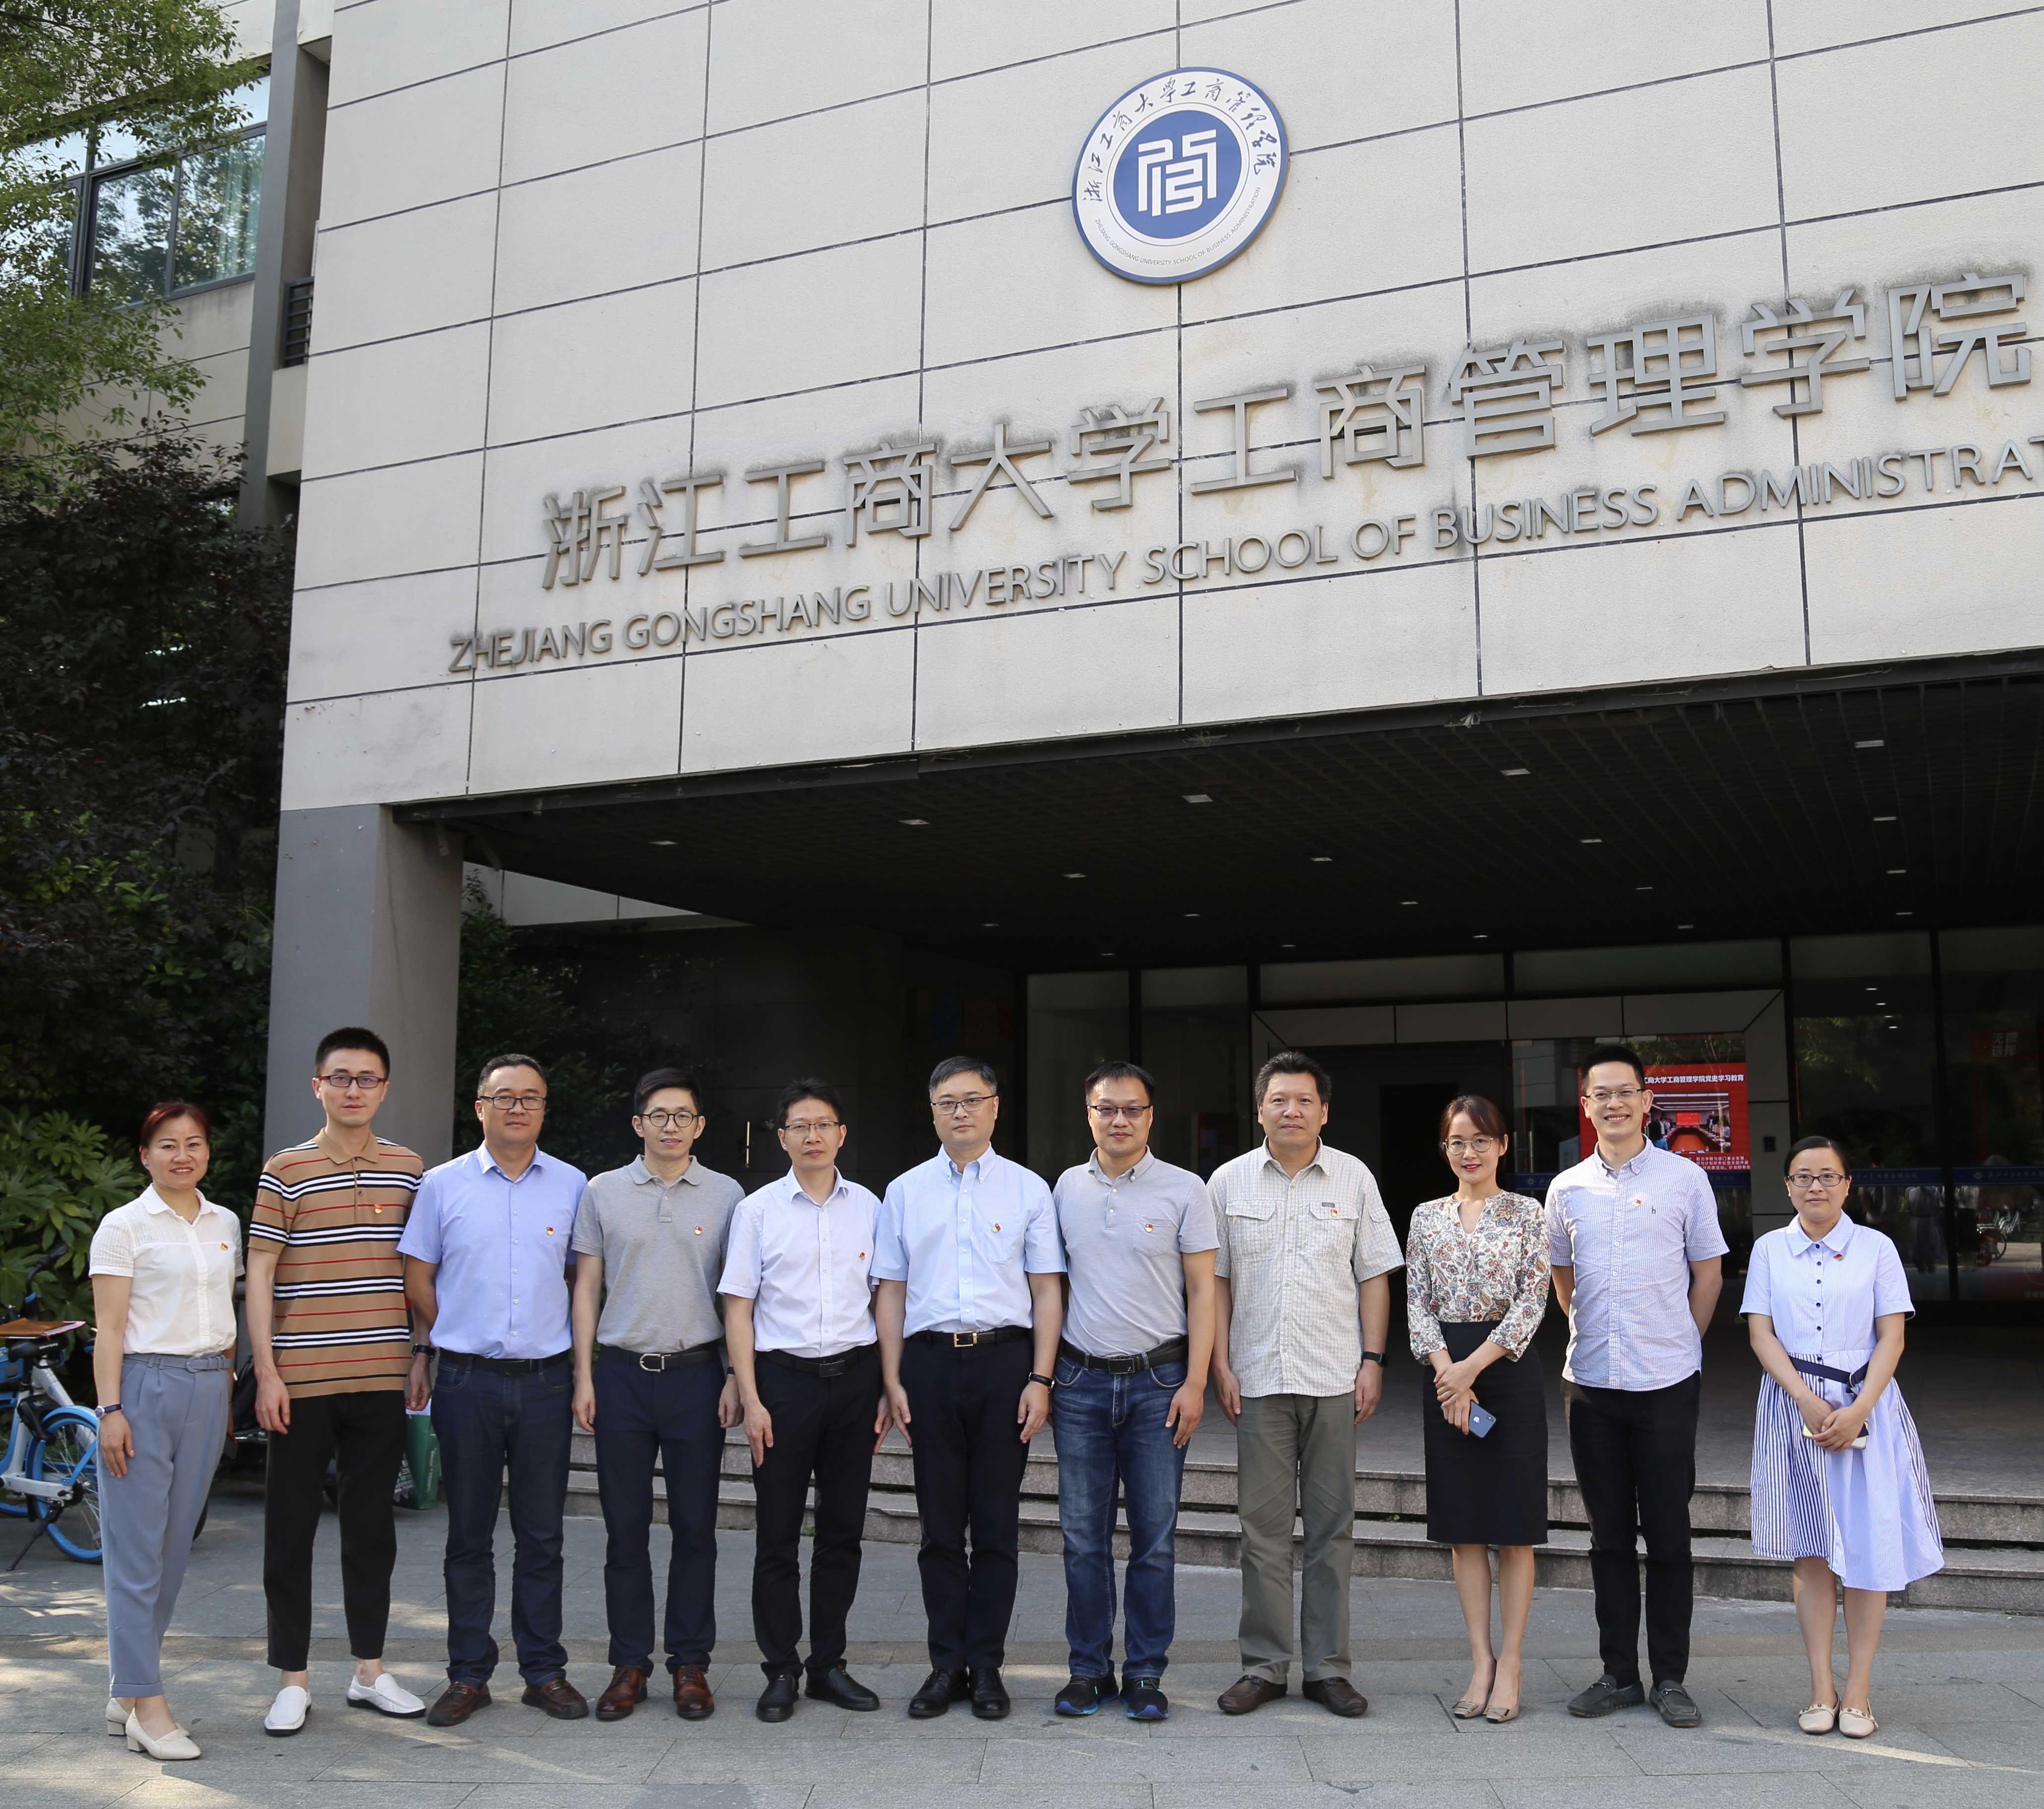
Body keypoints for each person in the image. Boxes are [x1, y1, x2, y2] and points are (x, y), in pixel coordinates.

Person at [1209, 1051, 1403, 1720]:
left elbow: (1373, 1275)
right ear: (1259, 1109)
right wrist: (1218, 1364)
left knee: (1331, 1530)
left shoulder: (1353, 1178)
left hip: (1333, 1378)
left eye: (1303, 1101)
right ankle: (1262, 1667)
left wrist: (1372, 1360)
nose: (1290, 1110)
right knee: (1260, 1533)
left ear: (1323, 1111)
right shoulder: (1227, 1183)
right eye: (1278, 1100)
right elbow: (1215, 1283)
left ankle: (1327, 1670)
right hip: (1257, 1379)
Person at [246, 1026, 427, 1737]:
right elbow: (260, 1273)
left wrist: (421, 1351)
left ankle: (369, 1672)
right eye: (341, 1077)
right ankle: (291, 1680)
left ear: (385, 1089)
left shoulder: (409, 1169)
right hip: (300, 1381)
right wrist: (266, 1371)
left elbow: (418, 1272)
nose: (354, 1090)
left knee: (371, 1531)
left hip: (382, 1377)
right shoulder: (285, 1170)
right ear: (317, 1085)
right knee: (289, 1532)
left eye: (367, 1079)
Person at [399, 1054, 589, 1727]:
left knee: (542, 1535)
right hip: (466, 1379)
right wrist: (436, 1339)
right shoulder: (441, 1185)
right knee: (468, 1535)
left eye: (530, 1098)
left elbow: (580, 1280)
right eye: (504, 1097)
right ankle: (468, 1675)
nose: (517, 1108)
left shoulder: (572, 1185)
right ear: (479, 1107)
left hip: (545, 1381)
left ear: (544, 1109)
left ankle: (543, 1671)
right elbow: (418, 1276)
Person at [873, 1056, 1064, 1721]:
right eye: (947, 1102)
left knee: (996, 1527)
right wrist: (891, 1378)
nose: (960, 1112)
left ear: (995, 1107)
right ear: (932, 1112)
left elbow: (1046, 1291)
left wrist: (1040, 1377)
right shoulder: (904, 1191)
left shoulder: (1027, 1190)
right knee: (937, 1528)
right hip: (928, 1367)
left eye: (972, 1100)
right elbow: (890, 1292)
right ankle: (943, 1666)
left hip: (1005, 1366)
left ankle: (986, 1666)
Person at [1548, 1042, 1726, 1728]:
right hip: (1591, 1385)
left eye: (1625, 1091)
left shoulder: (1685, 1179)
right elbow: (1562, 1277)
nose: (1614, 1103)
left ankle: (1670, 1678)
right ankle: (1618, 1673)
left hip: (1666, 1383)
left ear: (1647, 1101)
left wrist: (1681, 1340)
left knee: (1670, 1534)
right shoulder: (1565, 1189)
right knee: (1608, 1537)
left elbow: (1707, 1272)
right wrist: (1591, 1329)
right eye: (1601, 1093)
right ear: (1586, 1105)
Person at [1744, 1136, 1943, 1739]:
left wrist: (1857, 1410)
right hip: (1791, 1405)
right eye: (1803, 1176)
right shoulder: (1769, 1249)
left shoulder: (1876, 1248)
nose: (1816, 1187)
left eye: (1828, 1176)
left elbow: (1892, 1336)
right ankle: (1820, 1690)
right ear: (1787, 1187)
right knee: (1810, 1550)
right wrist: (1804, 1398)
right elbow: (1760, 1334)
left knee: (1867, 1547)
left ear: (1847, 1185)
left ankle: (1857, 1693)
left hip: (1867, 1406)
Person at [570, 1067, 743, 1722]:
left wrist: (735, 1374)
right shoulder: (602, 1192)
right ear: (638, 1123)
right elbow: (587, 1287)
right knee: (625, 1529)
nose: (671, 1126)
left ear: (699, 1126)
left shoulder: (727, 1195)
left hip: (697, 1376)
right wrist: (584, 1375)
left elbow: (738, 1294)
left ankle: (690, 1663)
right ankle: (629, 1664)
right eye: (659, 1116)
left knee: (696, 1527)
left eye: (683, 1116)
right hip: (619, 1375)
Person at [1050, 1060, 1216, 1722]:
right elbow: (1051, 1287)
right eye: (1106, 1108)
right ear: (1088, 1114)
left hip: (1159, 1384)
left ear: (1151, 1116)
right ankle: (1088, 1671)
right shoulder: (1064, 1187)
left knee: (1154, 1539)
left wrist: (1196, 1381)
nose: (1119, 1120)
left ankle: (1145, 1672)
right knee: (1081, 1538)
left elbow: (1202, 1290)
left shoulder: (1184, 1189)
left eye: (1132, 1109)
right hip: (1078, 1383)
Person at [719, 1081, 886, 1723]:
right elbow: (739, 1307)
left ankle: (828, 1666)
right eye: (799, 1126)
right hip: (782, 1385)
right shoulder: (757, 1211)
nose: (812, 1136)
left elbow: (885, 1299)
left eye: (823, 1125)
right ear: (782, 1137)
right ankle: (781, 1669)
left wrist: (885, 1386)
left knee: (842, 1532)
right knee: (777, 1533)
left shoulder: (869, 1207)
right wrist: (751, 1395)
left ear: (841, 1134)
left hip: (854, 1383)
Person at [90, 1103, 241, 1761]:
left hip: (209, 1386)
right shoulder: (123, 1226)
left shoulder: (225, 1222)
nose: (183, 1155)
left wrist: (226, 1391)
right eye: (168, 1145)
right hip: (143, 1388)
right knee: (136, 1554)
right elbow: (110, 1329)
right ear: (144, 1155)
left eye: (195, 1143)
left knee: (175, 1549)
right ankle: (147, 1708)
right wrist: (110, 1411)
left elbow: (226, 1311)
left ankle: (126, 1690)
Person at [1405, 1094, 1551, 1726]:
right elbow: (1416, 1301)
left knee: (1514, 1528)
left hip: (1506, 1371)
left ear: (1502, 1146)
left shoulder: (1527, 1213)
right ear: (1445, 1148)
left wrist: (1472, 1370)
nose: (1469, 1152)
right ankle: (1480, 1662)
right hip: (1444, 1373)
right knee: (1463, 1529)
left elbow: (1532, 1300)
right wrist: (1449, 1373)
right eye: (1458, 1141)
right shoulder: (1426, 1217)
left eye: (1481, 1141)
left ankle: (1511, 1663)